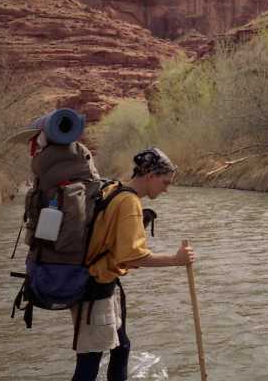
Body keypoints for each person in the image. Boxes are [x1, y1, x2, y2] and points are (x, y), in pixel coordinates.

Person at [72, 147, 195, 381]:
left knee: (121, 347)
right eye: (165, 182)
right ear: (150, 176)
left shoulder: (114, 188)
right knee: (89, 360)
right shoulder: (129, 202)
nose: (166, 189)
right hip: (94, 290)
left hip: (99, 285)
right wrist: (176, 260)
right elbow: (131, 257)